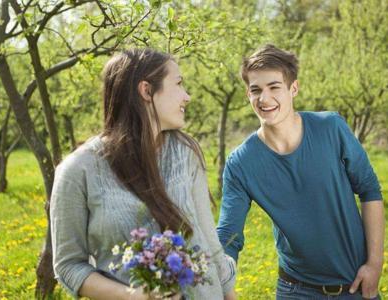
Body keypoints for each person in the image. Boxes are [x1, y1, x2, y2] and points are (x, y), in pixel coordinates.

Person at [50, 48, 237, 299]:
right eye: (179, 83)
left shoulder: (185, 153)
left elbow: (209, 242)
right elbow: (68, 266)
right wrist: (134, 295)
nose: (187, 96)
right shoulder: (77, 170)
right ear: (146, 91)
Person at [217, 44, 384, 299]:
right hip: (295, 289)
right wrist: (214, 274)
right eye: (256, 90)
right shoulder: (240, 163)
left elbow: (370, 190)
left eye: (274, 87)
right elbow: (229, 236)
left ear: (293, 88)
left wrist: (374, 264)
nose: (264, 98)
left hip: (356, 286)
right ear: (247, 95)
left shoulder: (331, 128)